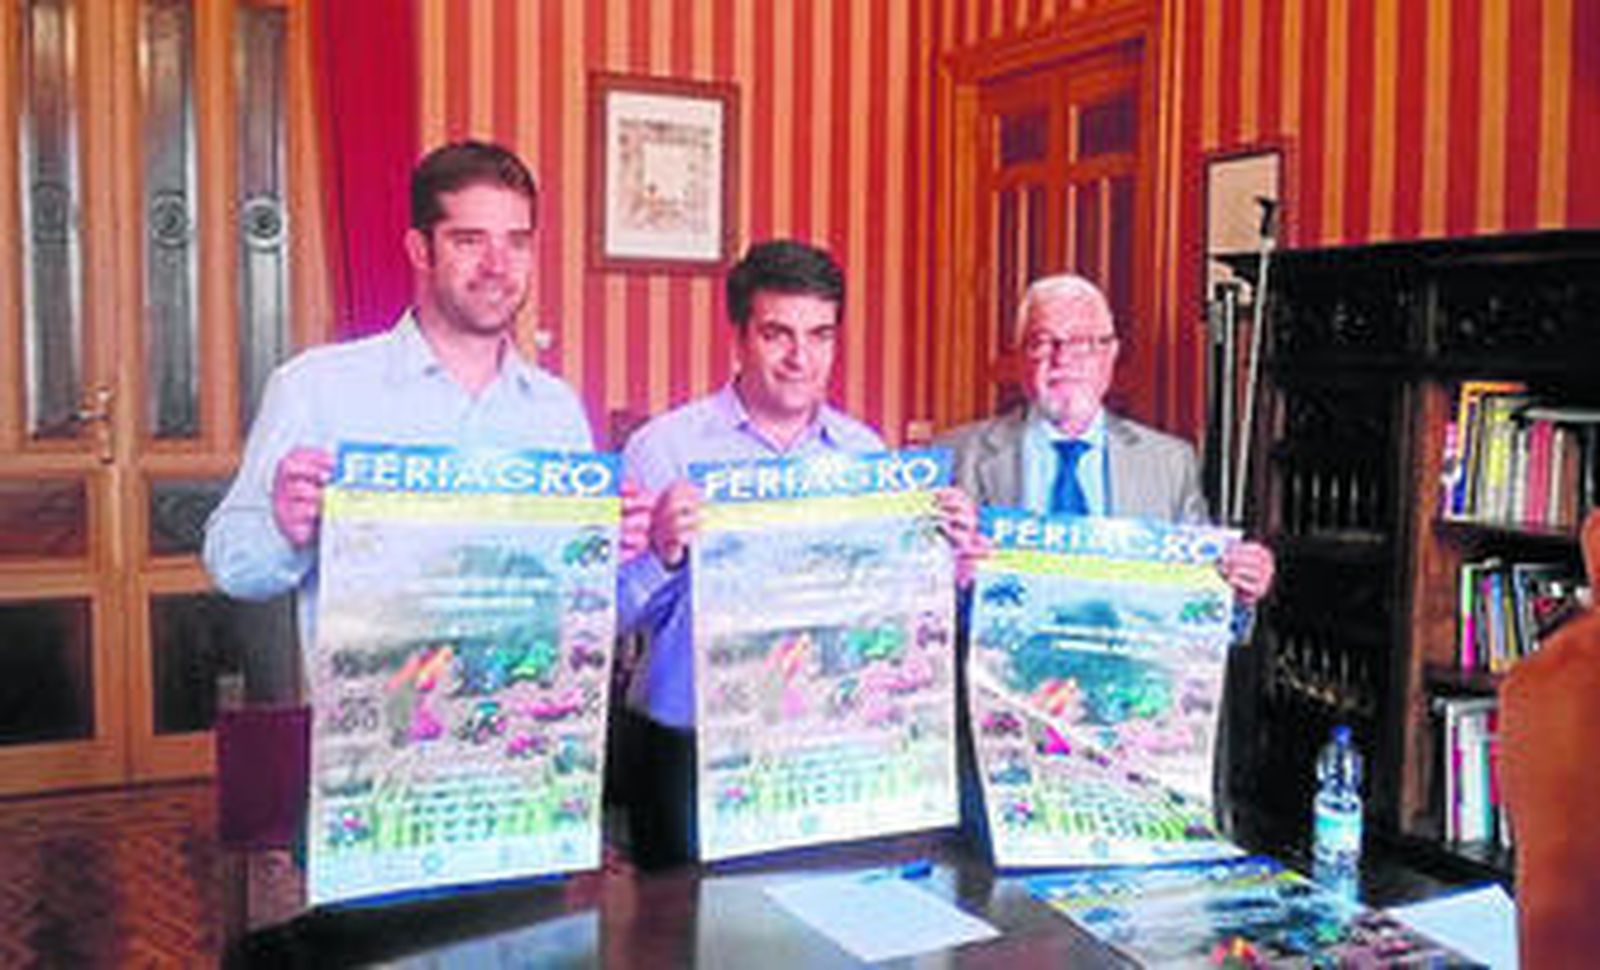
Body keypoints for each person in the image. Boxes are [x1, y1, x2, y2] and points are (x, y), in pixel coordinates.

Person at [615, 239, 980, 869]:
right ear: (738, 337)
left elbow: (891, 616)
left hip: (829, 745)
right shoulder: (662, 448)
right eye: (776, 334)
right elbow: (607, 619)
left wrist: (951, 564)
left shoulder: (867, 456)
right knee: (685, 927)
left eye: (820, 336)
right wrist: (662, 554)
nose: (799, 358)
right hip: (689, 752)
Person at [204, 139, 649, 644]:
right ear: (420, 250)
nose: (497, 265)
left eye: (517, 242)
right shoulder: (315, 387)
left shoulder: (557, 409)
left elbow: (578, 600)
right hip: (378, 689)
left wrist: (612, 550)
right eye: (469, 241)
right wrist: (284, 527)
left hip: (523, 688)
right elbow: (230, 565)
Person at [936, 272, 1274, 602]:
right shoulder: (955, 455)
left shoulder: (1169, 464)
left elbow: (1200, 595)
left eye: (1083, 342)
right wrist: (950, 576)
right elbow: (916, 596)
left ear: (1111, 353)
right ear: (1020, 356)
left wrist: (1239, 584)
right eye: (1043, 342)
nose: (1063, 358)